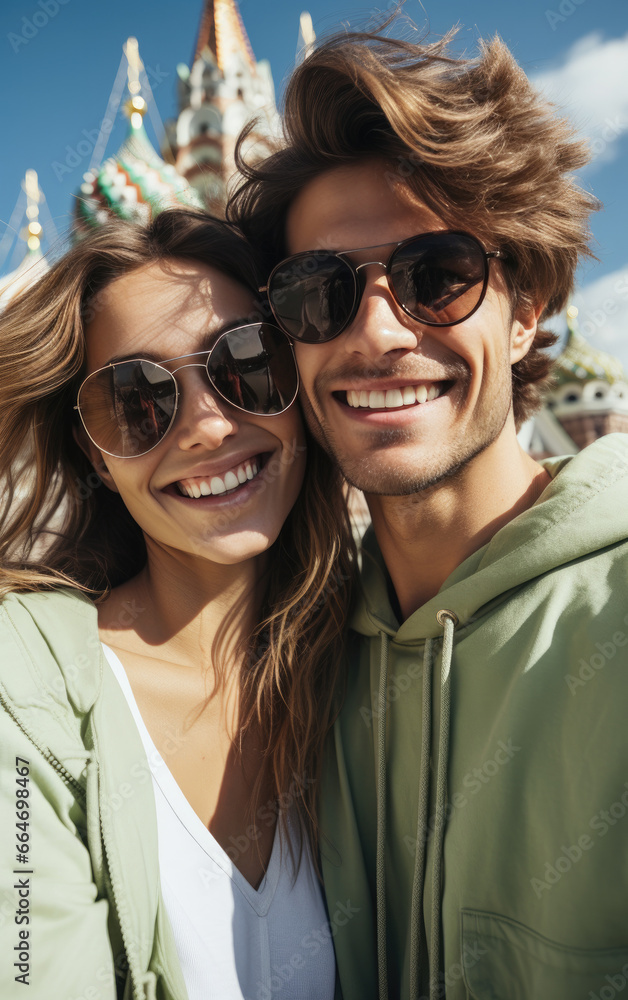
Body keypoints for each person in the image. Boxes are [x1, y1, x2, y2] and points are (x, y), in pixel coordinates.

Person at [229, 24, 628, 1000]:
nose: (376, 332)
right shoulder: (293, 662)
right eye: (316, 292)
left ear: (525, 304)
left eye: (437, 276)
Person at [0, 208, 356, 999]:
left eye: (249, 364)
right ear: (95, 450)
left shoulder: (368, 666)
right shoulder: (27, 696)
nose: (205, 425)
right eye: (136, 400)